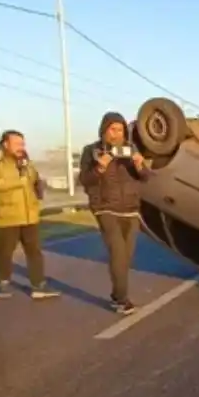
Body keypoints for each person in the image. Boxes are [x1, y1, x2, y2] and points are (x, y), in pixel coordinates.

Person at [79, 112, 151, 315]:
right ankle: (122, 300)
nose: (116, 134)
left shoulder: (131, 149)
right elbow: (84, 180)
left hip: (130, 209)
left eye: (120, 130)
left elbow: (146, 177)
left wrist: (140, 165)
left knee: (125, 257)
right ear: (104, 130)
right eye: (112, 129)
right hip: (105, 207)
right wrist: (100, 167)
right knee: (118, 253)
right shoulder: (91, 151)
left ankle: (116, 294)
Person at [0, 130, 60, 299]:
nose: (21, 147)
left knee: (35, 253)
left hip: (30, 216)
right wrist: (18, 182)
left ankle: (38, 285)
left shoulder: (26, 163)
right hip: (7, 216)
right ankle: (4, 283)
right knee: (5, 253)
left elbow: (34, 179)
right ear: (5, 144)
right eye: (16, 144)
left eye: (22, 144)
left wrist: (38, 191)